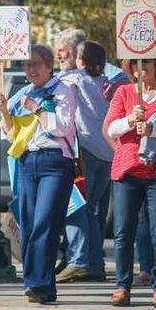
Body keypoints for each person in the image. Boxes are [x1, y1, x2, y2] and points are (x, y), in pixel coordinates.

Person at [0, 44, 77, 304]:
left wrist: (38, 109)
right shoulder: (24, 92)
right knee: (29, 224)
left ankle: (36, 282)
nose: (30, 69)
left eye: (35, 64)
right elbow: (11, 134)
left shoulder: (62, 90)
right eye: (26, 65)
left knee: (45, 222)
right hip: (28, 161)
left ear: (48, 65)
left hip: (54, 161)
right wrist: (4, 111)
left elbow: (63, 127)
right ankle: (42, 285)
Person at [103, 57, 156, 308]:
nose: (140, 74)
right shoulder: (124, 93)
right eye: (134, 69)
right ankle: (122, 285)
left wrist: (153, 129)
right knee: (123, 232)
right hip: (127, 172)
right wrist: (129, 119)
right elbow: (110, 129)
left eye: (146, 68)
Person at [56, 41, 114, 284]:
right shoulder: (108, 83)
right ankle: (95, 262)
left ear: (80, 59)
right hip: (108, 153)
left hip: (87, 150)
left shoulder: (75, 79)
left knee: (77, 206)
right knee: (94, 210)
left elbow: (54, 82)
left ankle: (78, 259)